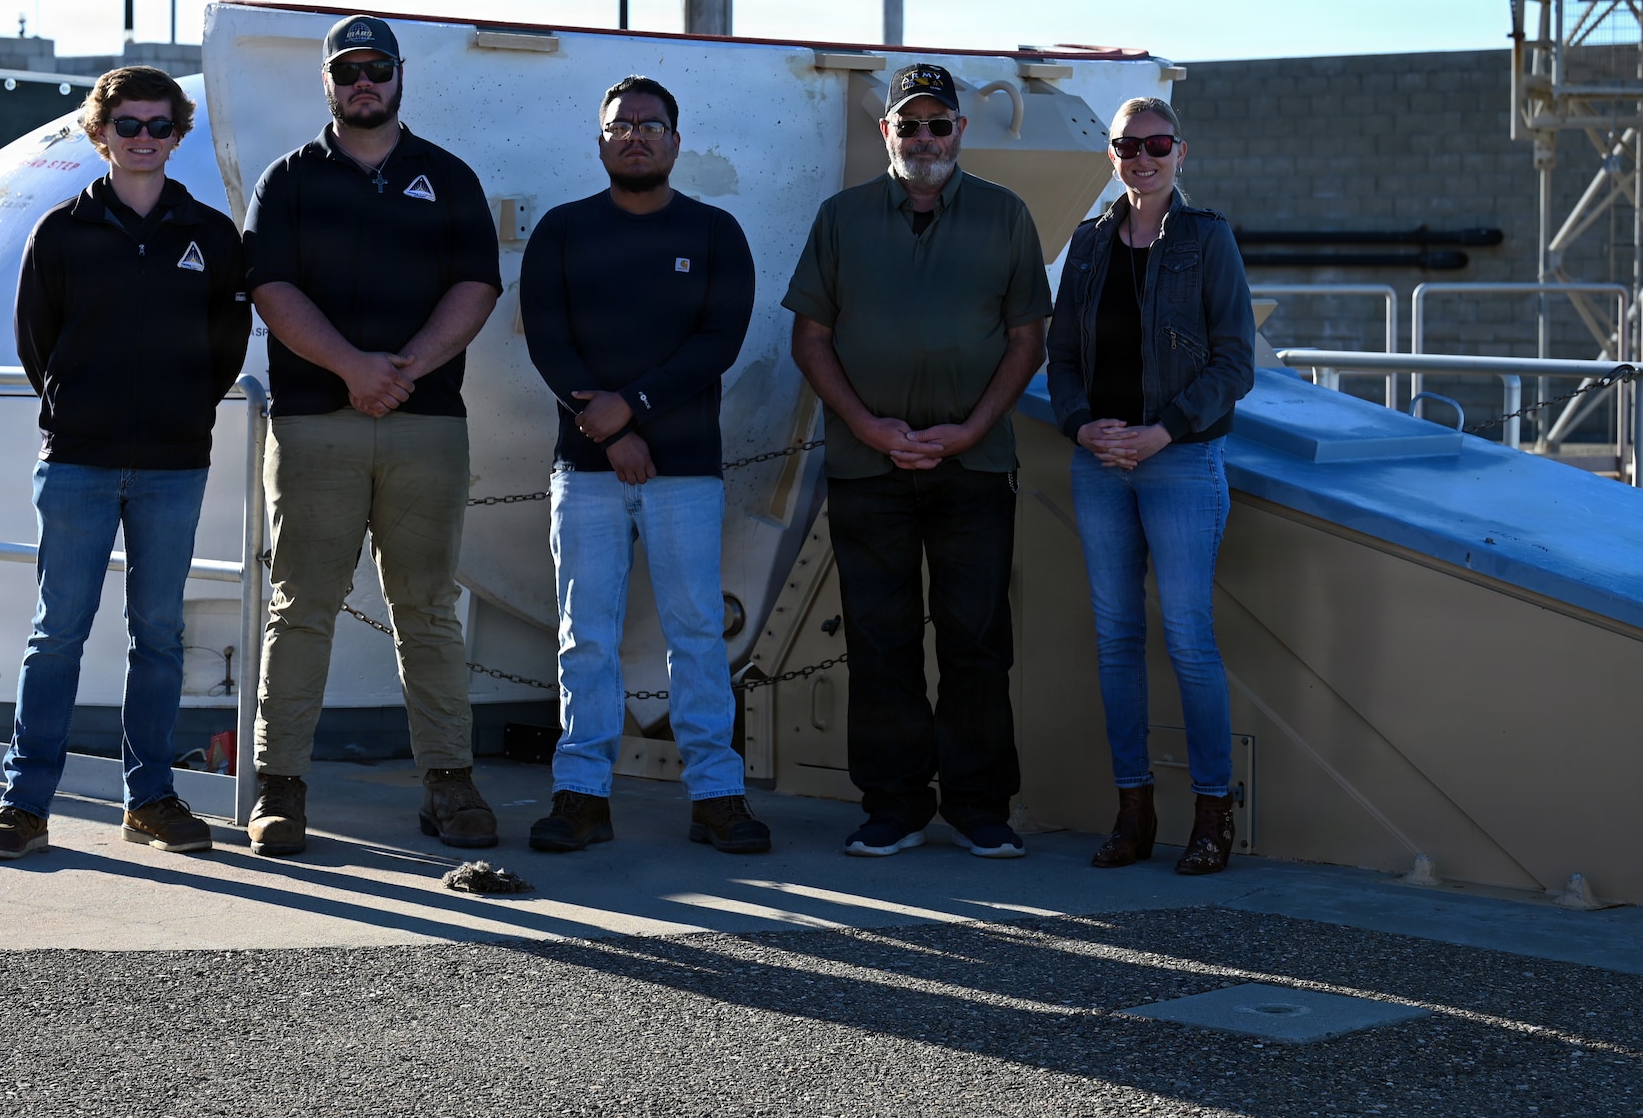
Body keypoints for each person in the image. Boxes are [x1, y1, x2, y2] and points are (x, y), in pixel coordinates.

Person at [240, 15, 503, 855]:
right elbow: (271, 289)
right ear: (327, 81)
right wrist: (354, 368)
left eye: (376, 68)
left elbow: (476, 286)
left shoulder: (447, 177)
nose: (364, 82)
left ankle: (450, 784)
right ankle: (279, 789)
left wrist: (406, 369)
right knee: (303, 605)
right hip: (317, 425)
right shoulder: (287, 181)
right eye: (347, 69)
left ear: (399, 76)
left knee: (427, 609)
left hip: (425, 426)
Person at [0, 66, 251, 862]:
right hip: (79, 466)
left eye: (158, 126)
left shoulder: (210, 236)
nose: (142, 139)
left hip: (172, 465)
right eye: (126, 125)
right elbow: (39, 345)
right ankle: (24, 805)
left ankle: (152, 800)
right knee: (56, 635)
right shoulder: (59, 233)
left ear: (177, 134)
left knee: (158, 636)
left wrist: (183, 409)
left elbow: (225, 347)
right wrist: (77, 412)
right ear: (100, 134)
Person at [783, 62, 1051, 860]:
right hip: (869, 469)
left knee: (976, 638)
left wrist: (970, 429)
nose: (925, 138)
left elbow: (1026, 339)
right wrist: (866, 425)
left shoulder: (1007, 217)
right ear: (886, 133)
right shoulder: (841, 219)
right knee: (880, 638)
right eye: (911, 124)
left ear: (960, 131)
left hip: (972, 467)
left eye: (939, 124)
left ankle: (978, 807)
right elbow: (811, 338)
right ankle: (893, 805)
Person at [519, 75, 769, 855]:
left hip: (686, 471)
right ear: (600, 140)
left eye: (651, 125)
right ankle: (582, 794)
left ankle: (718, 796)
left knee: (695, 633)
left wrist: (634, 409)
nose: (635, 135)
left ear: (675, 142)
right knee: (585, 636)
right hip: (586, 472)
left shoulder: (715, 232)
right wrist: (610, 432)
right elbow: (549, 342)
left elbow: (717, 342)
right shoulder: (562, 232)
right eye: (621, 124)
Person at [1046, 97, 1255, 876]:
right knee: (1116, 641)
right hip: (1100, 463)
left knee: (1190, 641)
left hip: (1179, 461)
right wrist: (1081, 425)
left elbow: (1236, 362)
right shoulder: (1091, 244)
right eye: (1127, 146)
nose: (1142, 157)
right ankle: (1133, 811)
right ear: (1111, 157)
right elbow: (1062, 356)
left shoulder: (1208, 241)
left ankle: (1211, 815)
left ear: (1180, 151)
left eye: (1156, 144)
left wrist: (1163, 429)